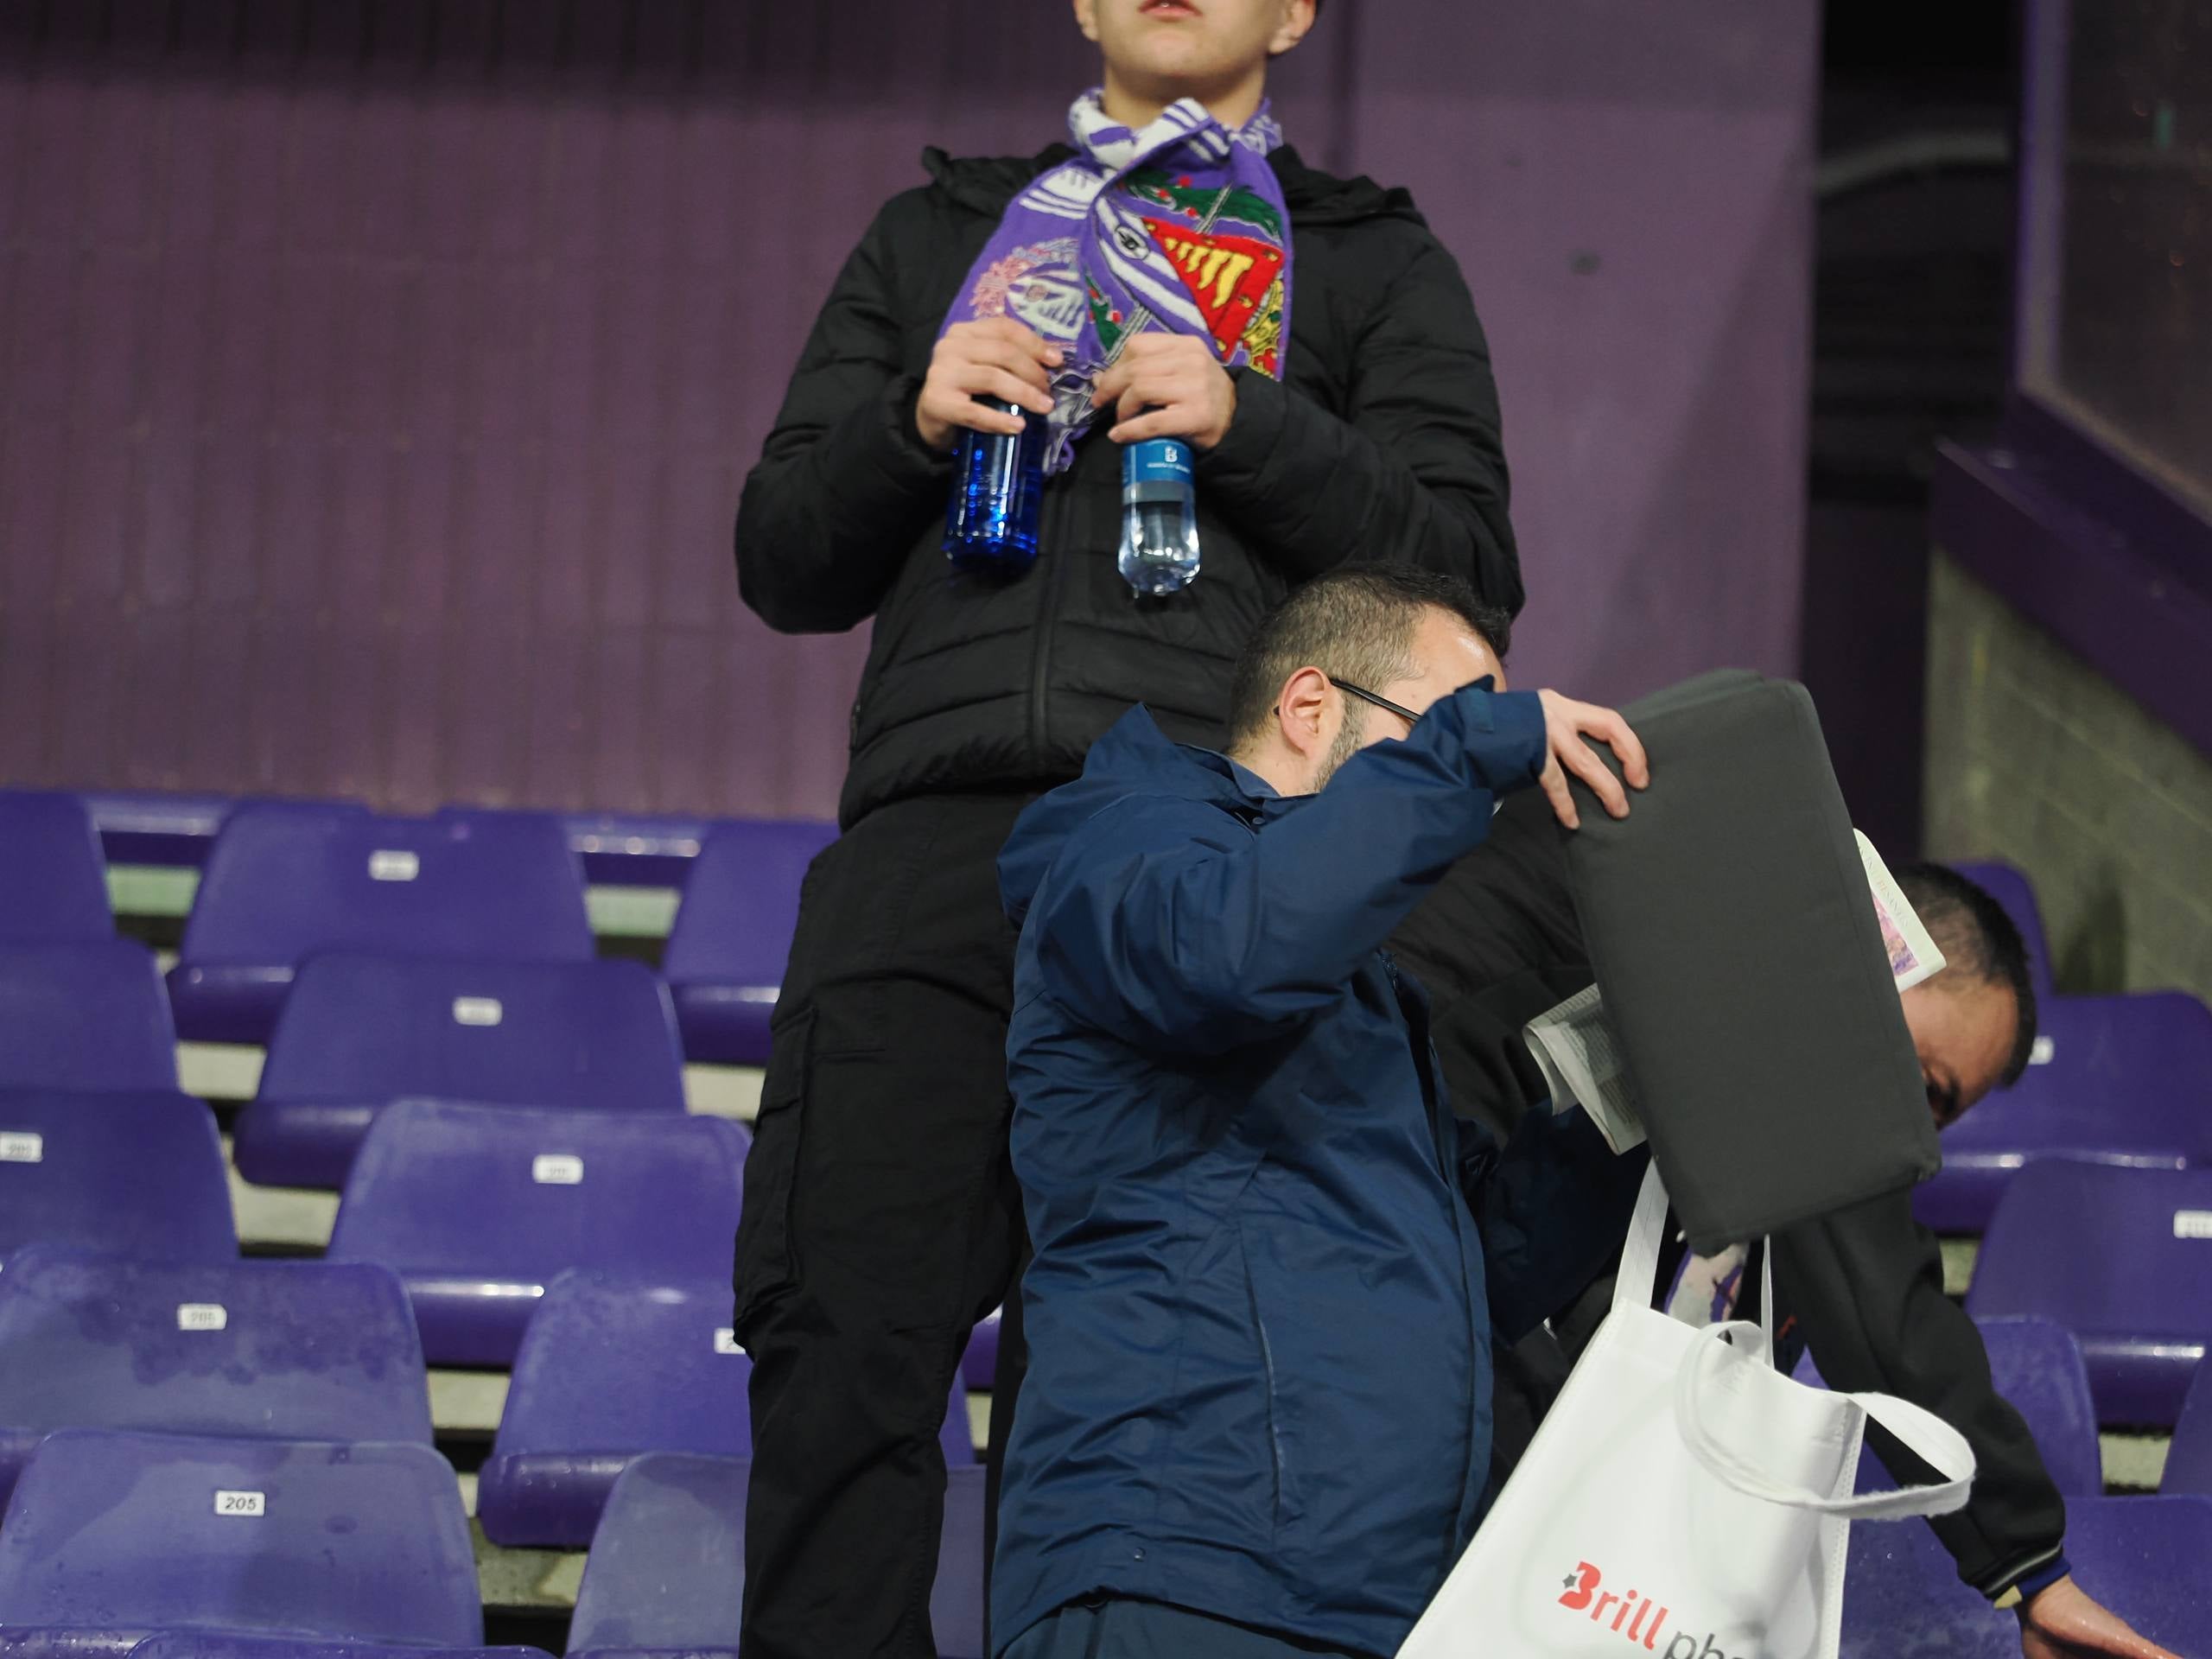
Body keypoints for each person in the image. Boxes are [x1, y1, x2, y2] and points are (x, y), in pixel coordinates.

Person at [728, 0, 1520, 1651]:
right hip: (931, 855)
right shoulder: (941, 232)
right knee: (843, 1364)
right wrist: (910, 424)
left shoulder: (1371, 262)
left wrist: (1256, 419)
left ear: (1300, 9)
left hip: (1201, 865)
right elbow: (783, 557)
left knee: (1149, 1393)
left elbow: (1464, 581)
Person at [990, 565, 1653, 1659]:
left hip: (1371, 1602)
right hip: (1188, 1572)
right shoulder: (1122, 840)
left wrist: (1637, 1071)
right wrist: (1480, 749)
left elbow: (1482, 1272)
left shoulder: (1355, 978)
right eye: (1455, 726)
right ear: (1311, 706)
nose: (1476, 798)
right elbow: (1231, 953)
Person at [1388, 799, 2183, 1659]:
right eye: (1923, 1085)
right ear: (1877, 954)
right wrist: (2030, 1566)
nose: (1910, 1136)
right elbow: (1889, 1327)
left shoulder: (1736, 1083)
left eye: (1939, 1118)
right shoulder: (1726, 1006)